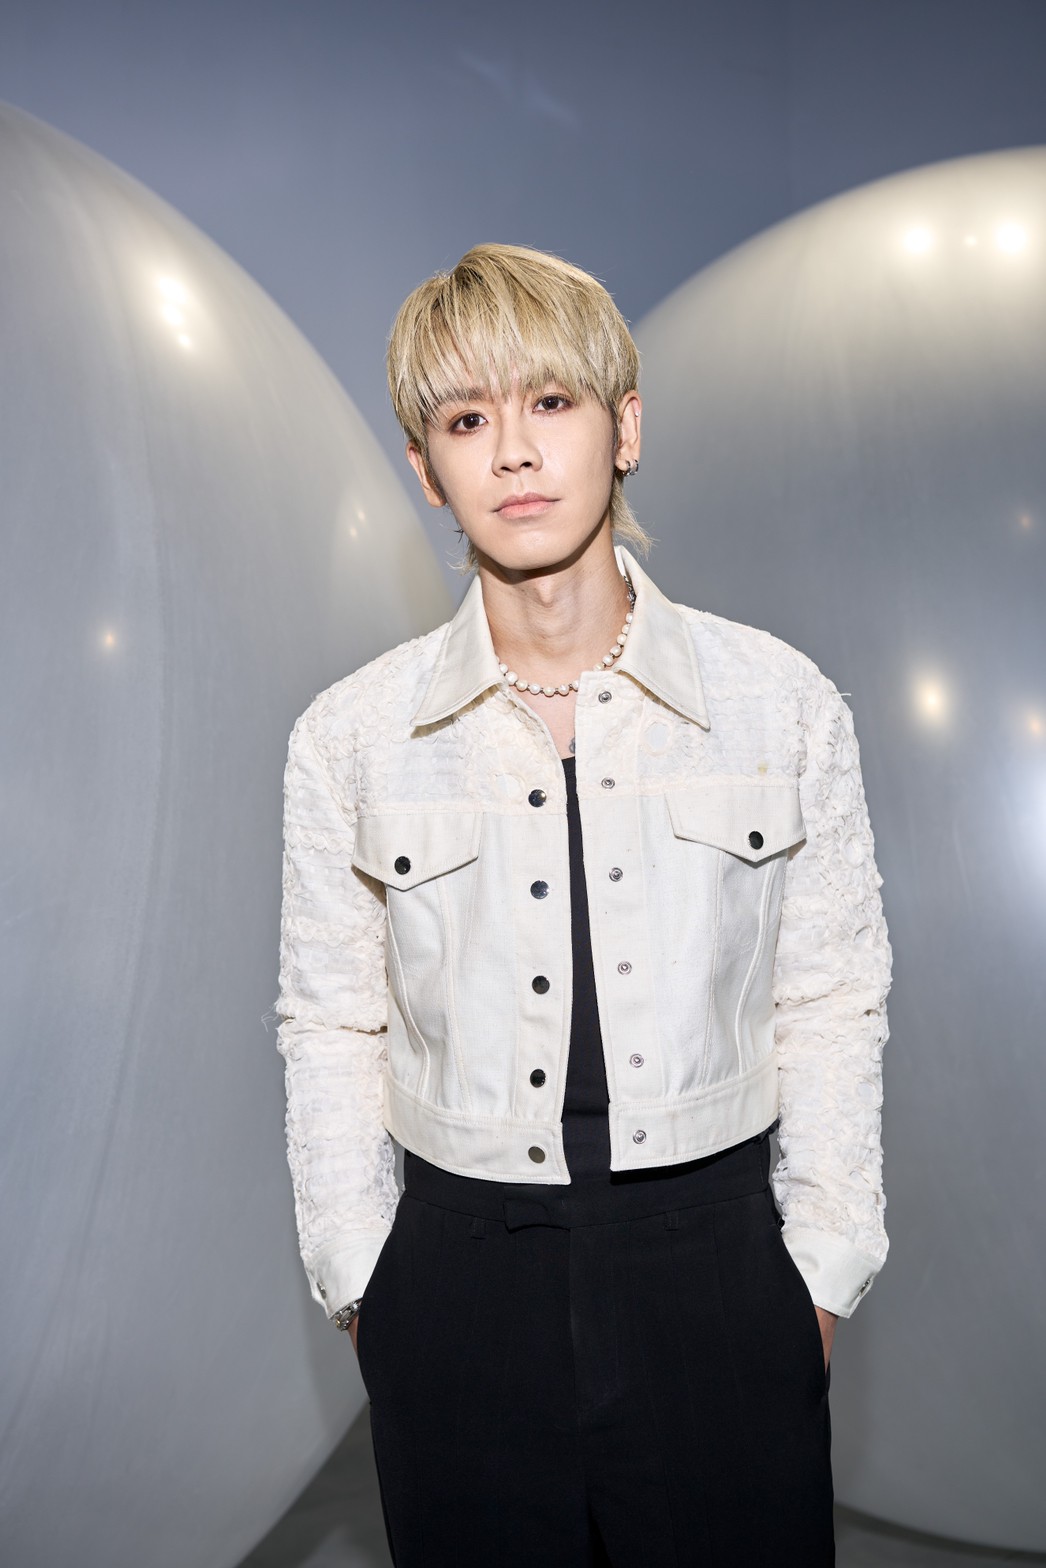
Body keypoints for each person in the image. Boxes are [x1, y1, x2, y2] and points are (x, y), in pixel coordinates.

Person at [274, 242, 892, 1567]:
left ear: (625, 428)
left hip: (720, 1273)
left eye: (549, 402)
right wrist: (364, 1283)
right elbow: (330, 1025)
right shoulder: (350, 738)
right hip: (456, 1286)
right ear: (423, 468)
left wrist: (821, 1272)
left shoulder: (778, 705)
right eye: (465, 420)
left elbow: (831, 999)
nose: (512, 452)